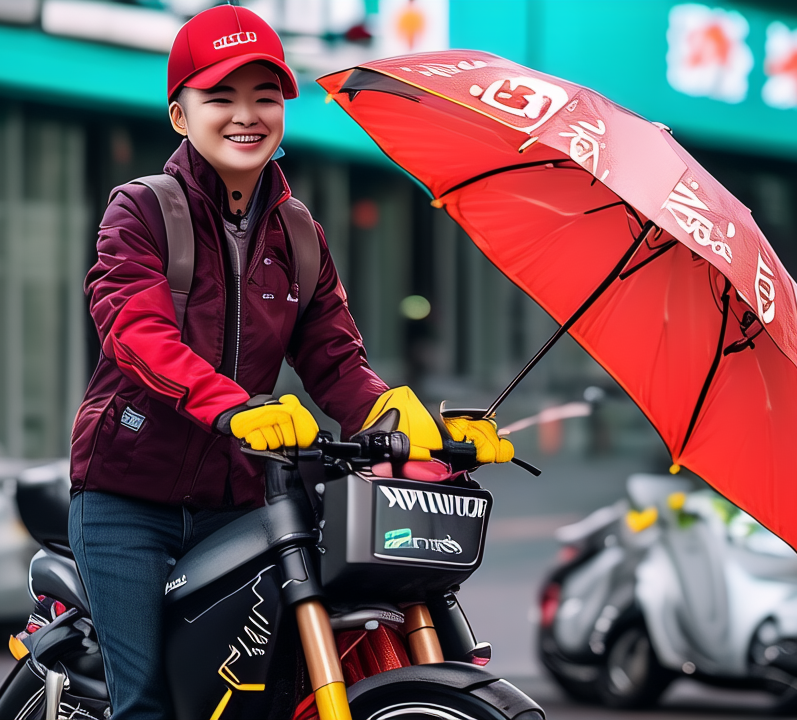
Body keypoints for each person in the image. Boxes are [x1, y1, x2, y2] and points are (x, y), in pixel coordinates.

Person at [66, 6, 514, 718]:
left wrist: (390, 410)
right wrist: (234, 406)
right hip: (128, 501)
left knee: (266, 691)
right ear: (180, 115)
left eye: (265, 97)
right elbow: (136, 330)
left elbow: (334, 356)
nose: (246, 115)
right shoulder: (142, 210)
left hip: (243, 506)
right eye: (220, 97)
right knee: (149, 703)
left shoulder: (300, 234)